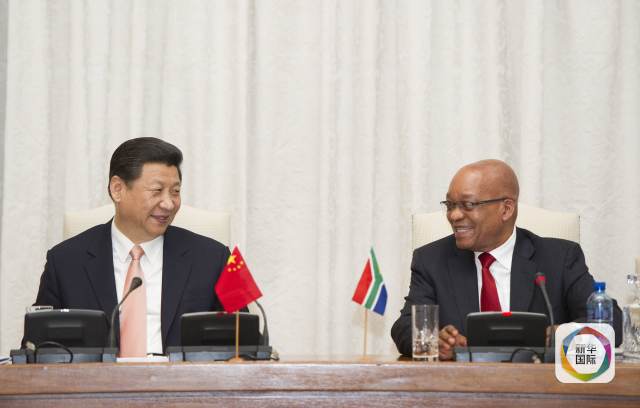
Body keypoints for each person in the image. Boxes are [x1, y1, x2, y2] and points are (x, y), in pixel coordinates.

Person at [391, 159, 623, 360]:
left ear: (506, 209)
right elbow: (404, 327)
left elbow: (611, 323)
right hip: (462, 387)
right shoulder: (431, 260)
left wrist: (560, 335)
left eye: (468, 205)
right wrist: (434, 340)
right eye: (450, 205)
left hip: (540, 387)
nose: (454, 215)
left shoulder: (559, 258)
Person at [34, 137, 230, 356]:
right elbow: (38, 348)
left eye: (175, 191)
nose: (169, 203)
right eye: (157, 190)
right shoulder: (65, 262)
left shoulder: (214, 259)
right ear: (117, 189)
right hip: (97, 378)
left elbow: (246, 345)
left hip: (181, 377)